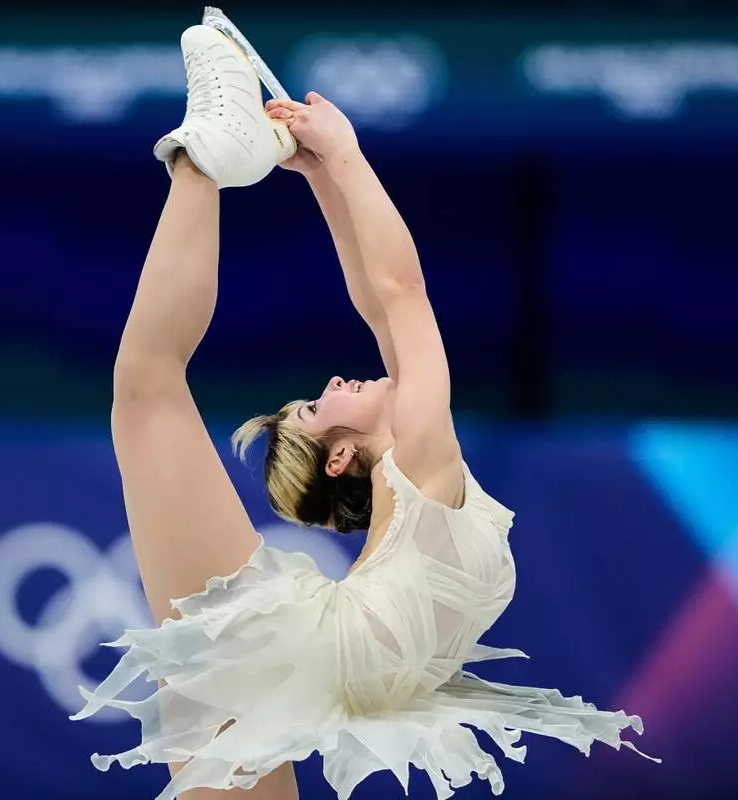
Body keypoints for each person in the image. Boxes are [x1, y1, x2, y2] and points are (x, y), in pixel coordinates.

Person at [70, 23, 655, 800]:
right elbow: (393, 298)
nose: (338, 380)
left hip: (331, 653)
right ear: (343, 455)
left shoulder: (418, 469)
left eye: (315, 402)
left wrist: (335, 171)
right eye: (320, 402)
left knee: (147, 390)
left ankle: (207, 160)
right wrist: (336, 164)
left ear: (342, 460)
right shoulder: (422, 463)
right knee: (145, 391)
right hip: (341, 661)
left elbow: (390, 300)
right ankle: (206, 153)